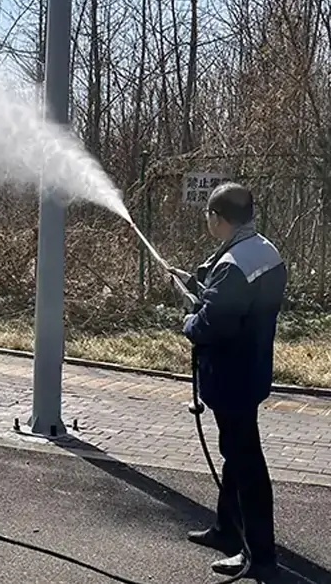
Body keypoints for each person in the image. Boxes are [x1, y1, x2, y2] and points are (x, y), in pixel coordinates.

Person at [167, 182, 286, 579]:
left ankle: (258, 555)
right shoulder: (264, 252)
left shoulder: (234, 265)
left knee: (245, 462)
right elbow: (237, 304)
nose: (207, 222)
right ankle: (225, 530)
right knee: (236, 457)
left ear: (218, 219)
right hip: (250, 371)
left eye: (208, 217)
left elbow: (210, 324)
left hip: (231, 377)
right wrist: (198, 284)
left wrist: (188, 320)